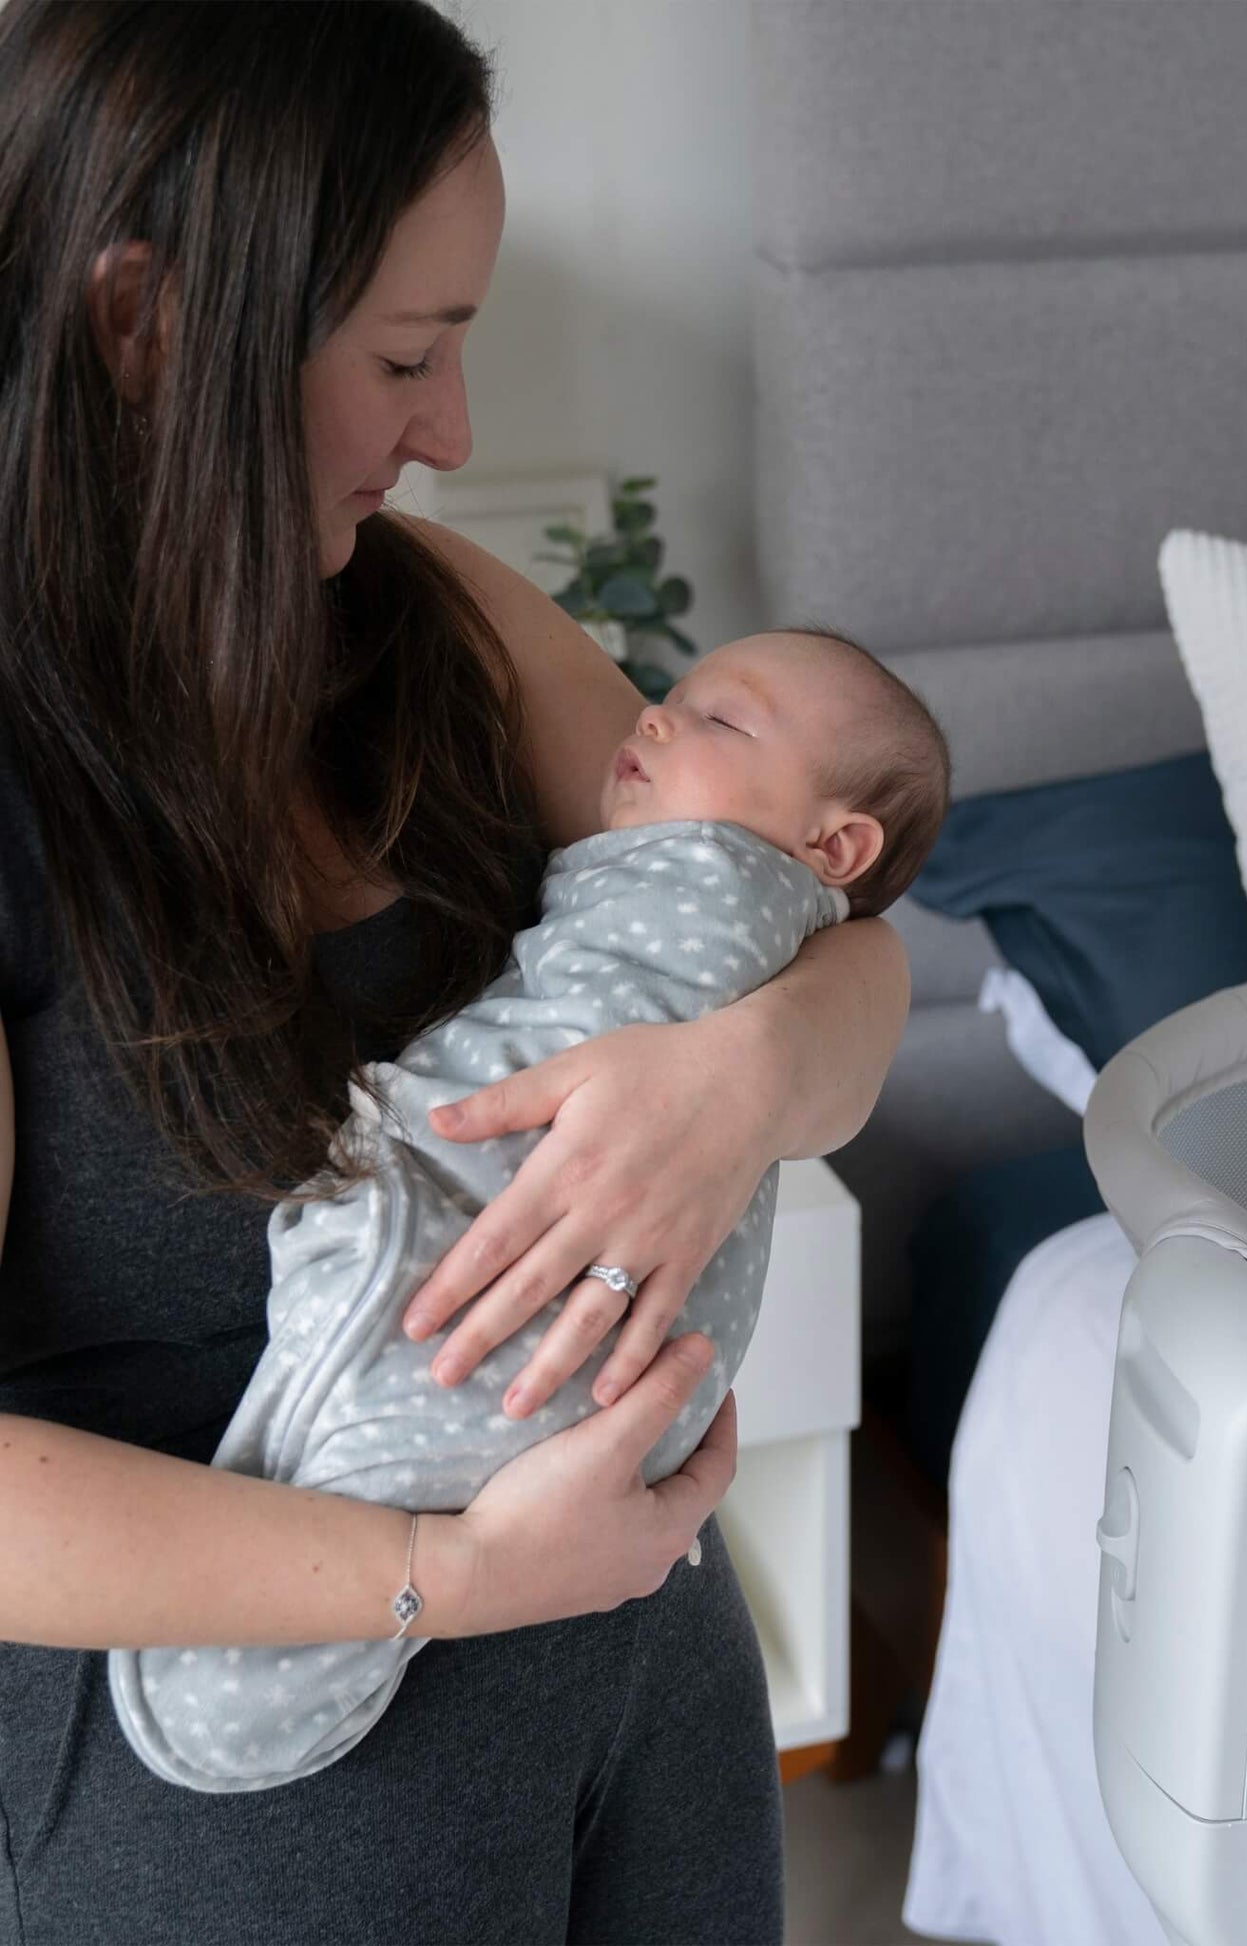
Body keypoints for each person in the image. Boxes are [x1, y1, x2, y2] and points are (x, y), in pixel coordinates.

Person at [0, 5, 908, 1942]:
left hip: (630, 1682)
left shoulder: (426, 622)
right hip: (233, 1788)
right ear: (147, 321)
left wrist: (745, 1079)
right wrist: (451, 1568)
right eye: (407, 355)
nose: (453, 434)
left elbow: (819, 937)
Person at [111, 628, 949, 1794]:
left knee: (406, 1436)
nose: (652, 717)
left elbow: (859, 962)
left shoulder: (712, 895)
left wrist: (752, 1067)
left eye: (719, 719)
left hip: (551, 1473)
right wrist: (461, 1566)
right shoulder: (694, 874)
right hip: (439, 1608)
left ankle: (241, 1693)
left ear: (831, 843)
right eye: (669, 698)